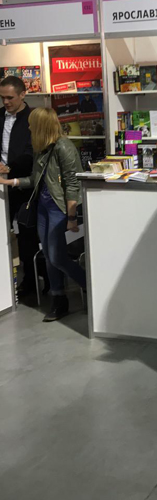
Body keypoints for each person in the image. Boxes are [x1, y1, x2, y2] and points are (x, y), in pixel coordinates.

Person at [0, 108, 86, 322]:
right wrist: (10, 181)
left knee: (56, 256)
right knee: (49, 255)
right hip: (44, 208)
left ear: (41, 126)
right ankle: (58, 298)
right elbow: (34, 179)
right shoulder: (42, 148)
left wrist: (72, 218)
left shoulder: (63, 147)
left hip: (59, 208)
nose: (28, 128)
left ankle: (89, 284)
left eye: (32, 124)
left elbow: (73, 184)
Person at [0, 75, 40, 296]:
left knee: (27, 236)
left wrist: (9, 168)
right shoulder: (0, 116)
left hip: (25, 185)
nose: (6, 102)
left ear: (23, 94)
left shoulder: (33, 119)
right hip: (1, 184)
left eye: (10, 98)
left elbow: (31, 153)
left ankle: (31, 283)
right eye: (2, 98)